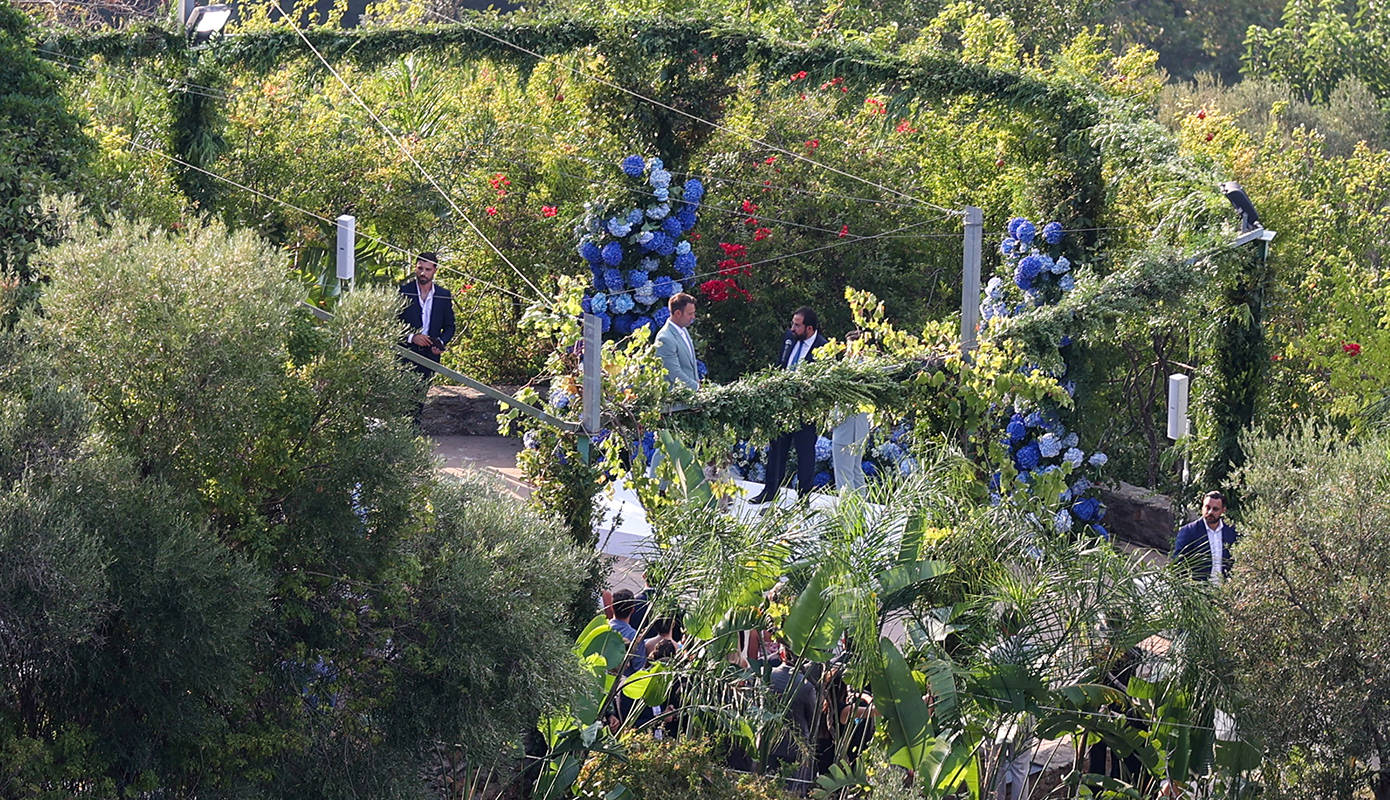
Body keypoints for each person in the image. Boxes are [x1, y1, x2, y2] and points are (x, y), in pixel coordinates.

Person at [748, 307, 828, 505]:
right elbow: (780, 365)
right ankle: (770, 491)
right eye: (792, 323)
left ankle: (803, 497)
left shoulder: (823, 348)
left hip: (805, 410)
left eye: (797, 325)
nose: (792, 328)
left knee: (805, 453)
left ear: (809, 328)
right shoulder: (789, 338)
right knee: (776, 450)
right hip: (782, 408)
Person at [398, 252, 455, 380]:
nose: (423, 273)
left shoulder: (443, 295)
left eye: (428, 269)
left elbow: (449, 326)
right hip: (406, 355)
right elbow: (393, 323)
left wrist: (440, 342)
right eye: (420, 268)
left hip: (430, 356)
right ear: (416, 268)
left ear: (435, 270)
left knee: (422, 396)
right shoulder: (403, 291)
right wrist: (412, 337)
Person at [830, 331, 871, 496]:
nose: (847, 351)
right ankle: (859, 513)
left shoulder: (853, 368)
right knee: (854, 471)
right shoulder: (866, 367)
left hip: (848, 426)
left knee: (844, 475)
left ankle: (848, 515)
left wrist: (833, 421)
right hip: (856, 427)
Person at [1171, 490, 1239, 583]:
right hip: (1199, 590)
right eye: (1207, 507)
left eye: (1215, 509)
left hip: (1225, 590)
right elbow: (1178, 564)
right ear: (1202, 507)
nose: (1210, 512)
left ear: (1223, 510)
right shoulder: (1189, 531)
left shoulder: (1232, 531)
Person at [654, 293, 700, 390]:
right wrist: (697, 388)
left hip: (690, 397)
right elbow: (674, 373)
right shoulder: (665, 338)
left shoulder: (683, 330)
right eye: (690, 314)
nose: (693, 317)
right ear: (678, 313)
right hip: (676, 400)